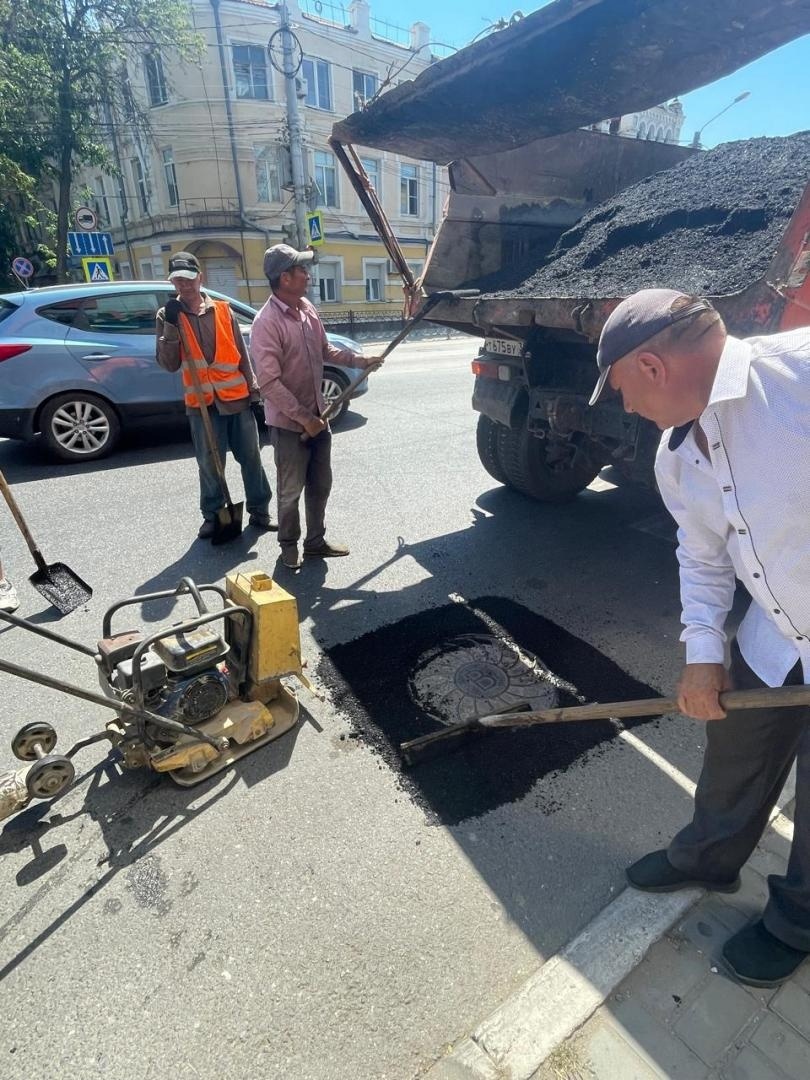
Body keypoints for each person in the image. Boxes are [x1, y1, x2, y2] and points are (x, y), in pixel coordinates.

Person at [589, 287, 810, 987]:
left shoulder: (800, 377)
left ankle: (797, 922)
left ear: (651, 366)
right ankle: (706, 860)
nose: (626, 408)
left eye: (623, 389)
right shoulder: (676, 456)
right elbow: (705, 556)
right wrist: (704, 655)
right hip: (775, 642)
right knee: (733, 755)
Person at [250, 244, 382, 570]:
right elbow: (269, 384)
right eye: (301, 270)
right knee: (290, 491)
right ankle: (288, 546)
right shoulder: (266, 323)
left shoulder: (306, 308)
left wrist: (359, 360)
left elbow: (326, 351)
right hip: (289, 424)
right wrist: (304, 419)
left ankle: (315, 542)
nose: (308, 275)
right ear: (284, 277)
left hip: (318, 418)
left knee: (320, 484)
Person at [156, 251, 274, 539]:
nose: (183, 285)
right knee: (209, 465)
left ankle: (260, 511)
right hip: (202, 405)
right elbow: (169, 364)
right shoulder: (167, 315)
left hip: (237, 399)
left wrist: (253, 386)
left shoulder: (223, 310)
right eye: (177, 280)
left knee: (251, 458)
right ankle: (212, 515)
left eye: (187, 278)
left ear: (200, 277)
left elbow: (241, 353)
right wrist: (170, 328)